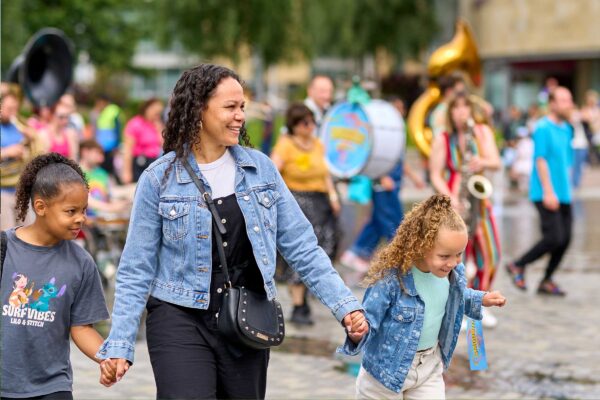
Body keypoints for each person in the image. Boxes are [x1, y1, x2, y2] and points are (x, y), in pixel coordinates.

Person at [96, 64, 368, 399]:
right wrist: (120, 344)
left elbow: (303, 248)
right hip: (179, 315)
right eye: (230, 107)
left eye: (242, 107)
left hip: (247, 315)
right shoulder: (159, 179)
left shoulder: (261, 170)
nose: (240, 116)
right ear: (198, 109)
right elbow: (136, 267)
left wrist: (346, 308)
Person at [338, 194, 506, 399]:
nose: (453, 262)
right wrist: (357, 332)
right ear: (420, 245)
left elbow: (455, 297)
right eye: (445, 256)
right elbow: (369, 319)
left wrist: (481, 299)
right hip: (384, 374)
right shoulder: (391, 279)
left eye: (459, 254)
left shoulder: (453, 273)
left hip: (429, 368)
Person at [0, 153, 116, 399]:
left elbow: (82, 327)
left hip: (53, 386)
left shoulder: (82, 262)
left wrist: (106, 358)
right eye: (71, 211)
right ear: (41, 207)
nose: (81, 219)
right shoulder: (4, 248)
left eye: (84, 210)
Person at [429, 92, 502, 327]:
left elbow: (496, 162)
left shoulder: (481, 133)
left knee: (491, 254)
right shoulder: (442, 138)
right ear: (450, 112)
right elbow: (434, 174)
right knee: (455, 260)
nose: (461, 113)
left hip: (480, 202)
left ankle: (481, 303)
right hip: (454, 203)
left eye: (465, 108)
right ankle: (457, 308)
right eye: (456, 108)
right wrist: (449, 197)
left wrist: (483, 162)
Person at [270, 103, 341, 325]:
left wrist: (333, 196)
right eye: (305, 123)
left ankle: (309, 293)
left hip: (320, 202)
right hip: (298, 201)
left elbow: (325, 173)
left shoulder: (318, 144)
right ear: (294, 124)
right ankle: (299, 304)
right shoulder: (285, 145)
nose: (309, 126)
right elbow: (272, 172)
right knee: (300, 251)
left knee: (327, 246)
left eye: (312, 122)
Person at [340, 98, 426, 273]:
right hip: (383, 183)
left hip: (392, 183)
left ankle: (357, 252)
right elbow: (377, 157)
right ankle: (399, 258)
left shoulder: (398, 131)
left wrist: (414, 178)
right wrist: (382, 176)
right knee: (392, 221)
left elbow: (399, 160)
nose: (400, 112)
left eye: (401, 108)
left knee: (379, 221)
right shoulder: (381, 133)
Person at [506, 87, 574, 296]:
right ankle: (518, 264)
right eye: (563, 100)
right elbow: (541, 160)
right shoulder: (543, 128)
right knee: (554, 237)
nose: (568, 104)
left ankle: (546, 280)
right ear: (552, 104)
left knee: (566, 239)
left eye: (569, 100)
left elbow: (566, 162)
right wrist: (548, 191)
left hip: (564, 193)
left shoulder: (568, 128)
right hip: (545, 192)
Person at [1, 91, 47, 230]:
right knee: (6, 237)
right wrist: (7, 152)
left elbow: (39, 151)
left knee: (28, 233)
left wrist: (32, 138)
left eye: (15, 109)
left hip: (19, 189)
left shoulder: (19, 126)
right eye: (9, 109)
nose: (13, 113)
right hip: (2, 191)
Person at [121, 98, 165, 184]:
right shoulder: (135, 123)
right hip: (140, 163)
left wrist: (159, 130)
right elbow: (128, 149)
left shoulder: (157, 125)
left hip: (154, 162)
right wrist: (126, 172)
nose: (158, 116)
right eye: (156, 113)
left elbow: (163, 145)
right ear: (147, 109)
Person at [92, 95, 122, 179]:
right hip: (100, 146)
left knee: (110, 168)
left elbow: (118, 129)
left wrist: (116, 145)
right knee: (99, 167)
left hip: (110, 147)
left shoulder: (113, 111)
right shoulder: (98, 112)